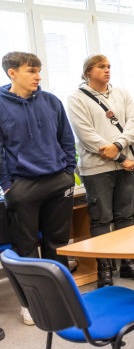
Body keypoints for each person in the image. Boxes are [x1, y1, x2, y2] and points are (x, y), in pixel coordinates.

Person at [0, 51, 76, 325]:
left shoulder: (51, 101)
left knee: (58, 245)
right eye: (31, 71)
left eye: (39, 70)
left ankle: (62, 298)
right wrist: (8, 186)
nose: (38, 76)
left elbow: (66, 138)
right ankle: (31, 304)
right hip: (22, 186)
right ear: (12, 73)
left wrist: (69, 172)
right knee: (26, 249)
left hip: (58, 181)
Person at [67, 54, 134, 288]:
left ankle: (128, 263)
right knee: (101, 218)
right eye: (101, 66)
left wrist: (119, 146)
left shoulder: (121, 93)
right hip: (97, 168)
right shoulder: (76, 98)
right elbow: (85, 135)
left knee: (126, 215)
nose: (107, 70)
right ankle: (104, 269)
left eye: (109, 66)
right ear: (88, 72)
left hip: (127, 165)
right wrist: (119, 155)